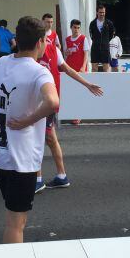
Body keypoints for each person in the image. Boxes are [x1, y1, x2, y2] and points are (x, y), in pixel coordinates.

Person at [0, 16, 59, 244]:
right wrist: (29, 120)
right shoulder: (39, 72)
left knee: (16, 218)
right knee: (15, 224)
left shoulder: (2, 62)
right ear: (40, 42)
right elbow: (53, 102)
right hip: (21, 159)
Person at [35, 36, 103, 192]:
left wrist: (87, 84)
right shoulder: (46, 52)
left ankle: (38, 180)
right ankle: (61, 176)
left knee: (38, 137)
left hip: (45, 102)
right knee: (50, 138)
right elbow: (67, 69)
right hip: (46, 101)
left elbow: (67, 69)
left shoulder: (50, 51)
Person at [89, 4, 115, 72]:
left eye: (103, 12)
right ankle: (93, 82)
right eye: (100, 12)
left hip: (105, 48)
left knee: (106, 69)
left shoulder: (109, 23)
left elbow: (111, 35)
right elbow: (91, 35)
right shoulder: (92, 23)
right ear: (97, 12)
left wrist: (105, 41)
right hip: (95, 48)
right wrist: (97, 41)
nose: (102, 14)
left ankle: (107, 82)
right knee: (94, 69)